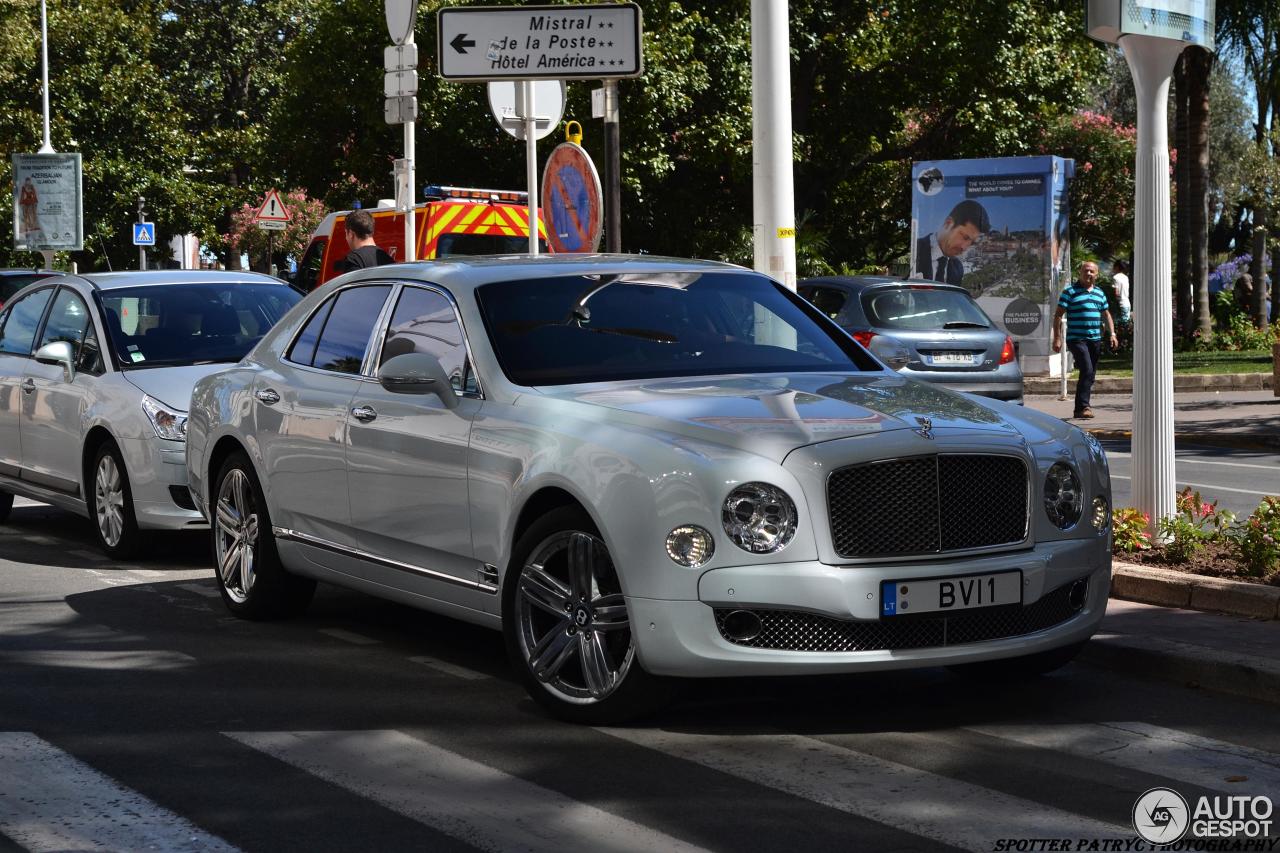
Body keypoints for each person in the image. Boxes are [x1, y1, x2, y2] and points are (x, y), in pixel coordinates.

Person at [1052, 260, 1117, 419]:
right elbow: (1058, 315)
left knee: (1090, 374)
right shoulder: (1070, 292)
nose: (1088, 274)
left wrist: (1113, 334)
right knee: (1087, 370)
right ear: (1080, 273)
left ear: (1096, 274)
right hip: (1076, 339)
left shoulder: (1099, 293)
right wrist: (1057, 338)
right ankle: (1083, 407)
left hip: (1095, 339)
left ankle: (1079, 409)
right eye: (1085, 271)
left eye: (1091, 271)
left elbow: (1106, 314)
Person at [914, 199, 990, 287]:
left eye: (972, 243)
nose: (965, 248)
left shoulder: (958, 268)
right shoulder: (915, 249)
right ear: (948, 223)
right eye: (965, 237)